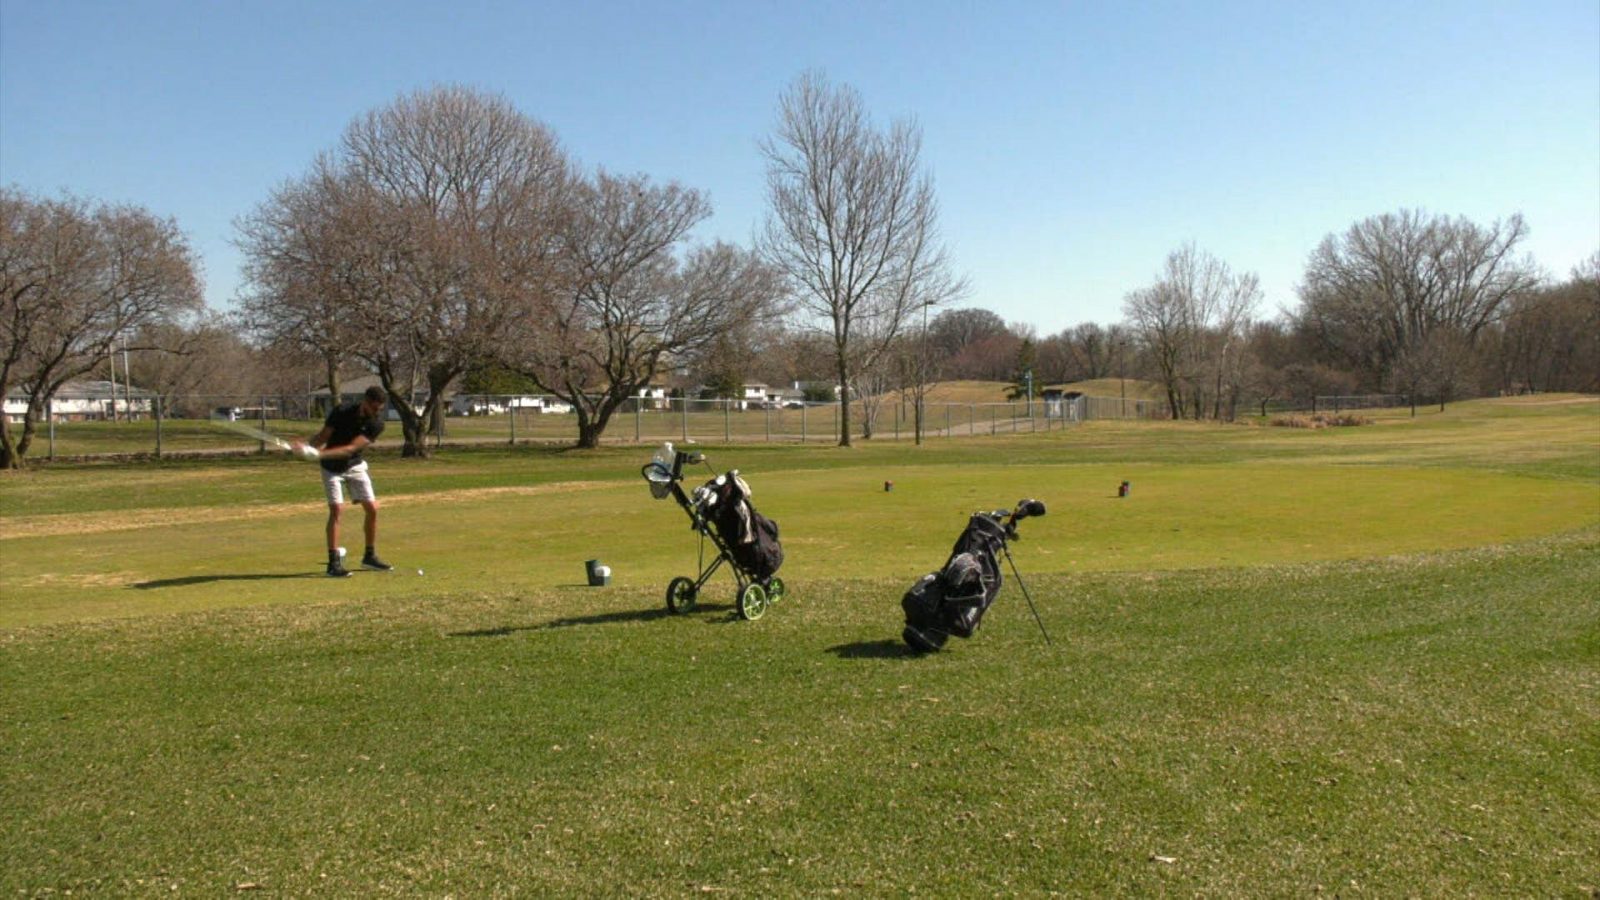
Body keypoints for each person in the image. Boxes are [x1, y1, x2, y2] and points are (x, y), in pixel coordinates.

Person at [293, 385, 393, 577]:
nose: (375, 412)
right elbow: (323, 436)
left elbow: (350, 449)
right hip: (331, 469)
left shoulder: (376, 424)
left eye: (379, 409)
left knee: (372, 509)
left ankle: (369, 557)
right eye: (373, 407)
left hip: (354, 465)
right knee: (337, 509)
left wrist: (319, 454)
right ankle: (333, 563)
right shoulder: (341, 411)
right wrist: (306, 449)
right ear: (365, 401)